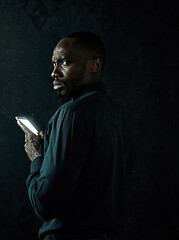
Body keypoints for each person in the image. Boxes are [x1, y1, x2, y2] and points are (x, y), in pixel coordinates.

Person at [18, 32, 132, 240]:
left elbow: (45, 204)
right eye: (53, 64)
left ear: (94, 65)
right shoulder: (116, 114)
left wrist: (37, 158)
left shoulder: (71, 113)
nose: (54, 72)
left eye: (65, 62)